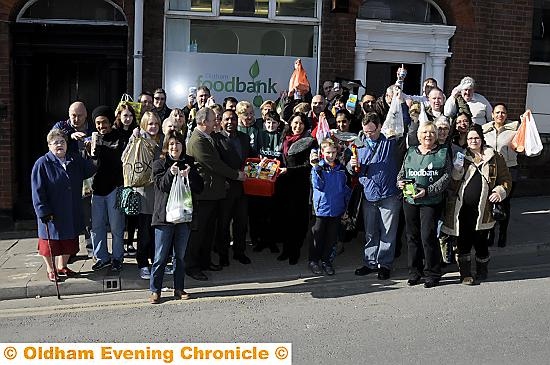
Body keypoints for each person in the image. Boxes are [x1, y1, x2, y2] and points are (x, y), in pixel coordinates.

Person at [442, 125, 512, 284]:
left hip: (484, 210)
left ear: (481, 139)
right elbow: (452, 185)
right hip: (462, 209)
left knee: (481, 243)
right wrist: (457, 171)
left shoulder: (495, 157)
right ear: (466, 140)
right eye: (470, 138)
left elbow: (506, 179)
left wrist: (499, 192)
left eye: (476, 138)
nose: (473, 141)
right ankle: (465, 274)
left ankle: (482, 270)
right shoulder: (461, 156)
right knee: (463, 242)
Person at [185, 108, 246, 281]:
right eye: (213, 120)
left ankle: (205, 261)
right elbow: (214, 164)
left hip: (213, 193)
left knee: (208, 231)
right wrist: (236, 175)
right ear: (204, 122)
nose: (216, 123)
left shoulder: (207, 137)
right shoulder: (197, 140)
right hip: (203, 194)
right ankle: (191, 266)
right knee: (198, 232)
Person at [31, 129, 96, 282]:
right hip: (51, 211)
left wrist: (93, 154)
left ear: (67, 144)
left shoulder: (74, 160)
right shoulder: (42, 163)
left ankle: (62, 266)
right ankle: (50, 269)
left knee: (68, 240)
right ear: (49, 146)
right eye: (55, 142)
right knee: (50, 242)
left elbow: (89, 170)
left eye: (62, 142)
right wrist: (42, 211)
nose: (59, 145)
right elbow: (37, 190)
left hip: (70, 209)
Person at [149, 130, 203, 304]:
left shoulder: (189, 163)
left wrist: (190, 175)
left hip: (184, 217)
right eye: (171, 143)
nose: (175, 147)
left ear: (183, 146)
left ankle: (179, 288)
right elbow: (161, 186)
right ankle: (155, 290)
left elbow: (199, 187)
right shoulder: (159, 163)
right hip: (164, 218)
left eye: (178, 143)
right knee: (160, 257)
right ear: (166, 146)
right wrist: (170, 174)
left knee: (179, 256)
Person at [397, 121, 451, 288]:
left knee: (427, 236)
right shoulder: (411, 151)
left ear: (436, 136)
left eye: (431, 133)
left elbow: (446, 177)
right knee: (412, 237)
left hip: (430, 201)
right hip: (411, 201)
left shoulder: (442, 152)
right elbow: (402, 172)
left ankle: (432, 273)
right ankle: (415, 272)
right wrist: (399, 182)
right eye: (424, 133)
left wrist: (428, 191)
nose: (428, 136)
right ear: (418, 136)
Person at [351, 112, 401, 280]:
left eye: (372, 131)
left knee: (388, 233)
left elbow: (401, 124)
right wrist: (352, 166)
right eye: (366, 131)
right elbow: (351, 169)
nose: (369, 135)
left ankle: (385, 264)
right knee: (371, 232)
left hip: (389, 195)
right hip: (369, 194)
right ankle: (370, 262)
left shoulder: (390, 142)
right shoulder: (358, 145)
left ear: (380, 127)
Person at [213, 109, 252, 266]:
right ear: (221, 122)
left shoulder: (244, 138)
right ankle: (223, 254)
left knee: (241, 222)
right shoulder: (216, 139)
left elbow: (250, 157)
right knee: (223, 223)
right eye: (227, 119)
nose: (230, 122)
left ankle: (239, 252)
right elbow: (216, 164)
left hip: (243, 188)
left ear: (237, 121)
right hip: (226, 188)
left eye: (233, 119)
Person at [89, 106, 126, 272]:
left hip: (114, 188)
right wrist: (91, 149)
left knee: (117, 227)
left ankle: (117, 258)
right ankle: (102, 257)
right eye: (97, 123)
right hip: (97, 189)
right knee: (97, 227)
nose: (101, 126)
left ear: (111, 122)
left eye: (104, 122)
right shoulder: (93, 140)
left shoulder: (119, 138)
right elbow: (90, 164)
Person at [277, 112, 316, 265]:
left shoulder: (309, 142)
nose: (297, 126)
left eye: (301, 123)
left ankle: (295, 251)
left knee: (298, 220)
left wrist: (290, 170)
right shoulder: (284, 139)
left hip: (300, 185)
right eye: (295, 122)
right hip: (284, 184)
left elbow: (308, 166)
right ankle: (286, 249)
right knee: (285, 218)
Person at [309, 139, 351, 275]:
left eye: (333, 152)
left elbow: (346, 189)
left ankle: (326, 260)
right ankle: (314, 260)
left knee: (331, 238)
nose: (331, 155)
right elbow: (318, 185)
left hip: (337, 209)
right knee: (318, 236)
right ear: (322, 152)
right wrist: (315, 168)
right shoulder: (318, 168)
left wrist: (346, 208)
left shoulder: (341, 169)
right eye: (327, 152)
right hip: (321, 209)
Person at [129, 111, 162, 279]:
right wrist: (135, 139)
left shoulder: (162, 140)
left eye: (156, 123)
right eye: (150, 124)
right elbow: (125, 159)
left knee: (157, 232)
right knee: (144, 232)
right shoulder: (137, 139)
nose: (153, 127)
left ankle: (156, 261)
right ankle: (142, 263)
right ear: (143, 125)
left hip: (159, 194)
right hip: (143, 194)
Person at [482, 103, 520, 247]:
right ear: (492, 114)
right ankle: (491, 232)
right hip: (491, 170)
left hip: (510, 169)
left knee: (505, 203)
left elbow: (523, 146)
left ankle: (502, 233)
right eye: (497, 112)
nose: (500, 115)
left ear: (506, 115)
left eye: (503, 113)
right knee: (491, 202)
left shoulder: (514, 130)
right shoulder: (485, 130)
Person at [113, 102, 139, 256]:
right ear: (119, 116)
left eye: (130, 115)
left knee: (132, 212)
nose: (128, 118)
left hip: (132, 177)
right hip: (118, 177)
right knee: (120, 213)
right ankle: (120, 243)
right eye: (125, 115)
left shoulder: (136, 132)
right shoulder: (115, 132)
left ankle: (130, 242)